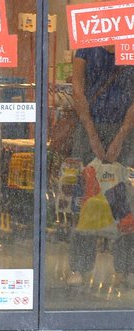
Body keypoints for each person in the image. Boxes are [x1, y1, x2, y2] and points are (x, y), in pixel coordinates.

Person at [66, 45, 134, 287]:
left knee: (124, 199)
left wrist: (121, 136)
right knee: (86, 198)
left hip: (124, 129)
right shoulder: (86, 48)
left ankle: (126, 269)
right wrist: (92, 134)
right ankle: (79, 267)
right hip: (88, 128)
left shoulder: (130, 47)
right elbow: (78, 90)